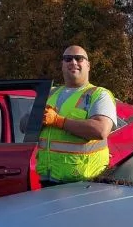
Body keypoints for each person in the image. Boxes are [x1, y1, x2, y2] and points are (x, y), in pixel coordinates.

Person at [35, 45, 117, 185]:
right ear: (62, 65)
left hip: (84, 183)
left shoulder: (99, 94)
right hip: (47, 179)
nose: (73, 62)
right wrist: (37, 118)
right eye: (68, 59)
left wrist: (58, 120)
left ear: (88, 65)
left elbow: (100, 130)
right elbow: (23, 125)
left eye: (79, 58)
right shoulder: (50, 93)